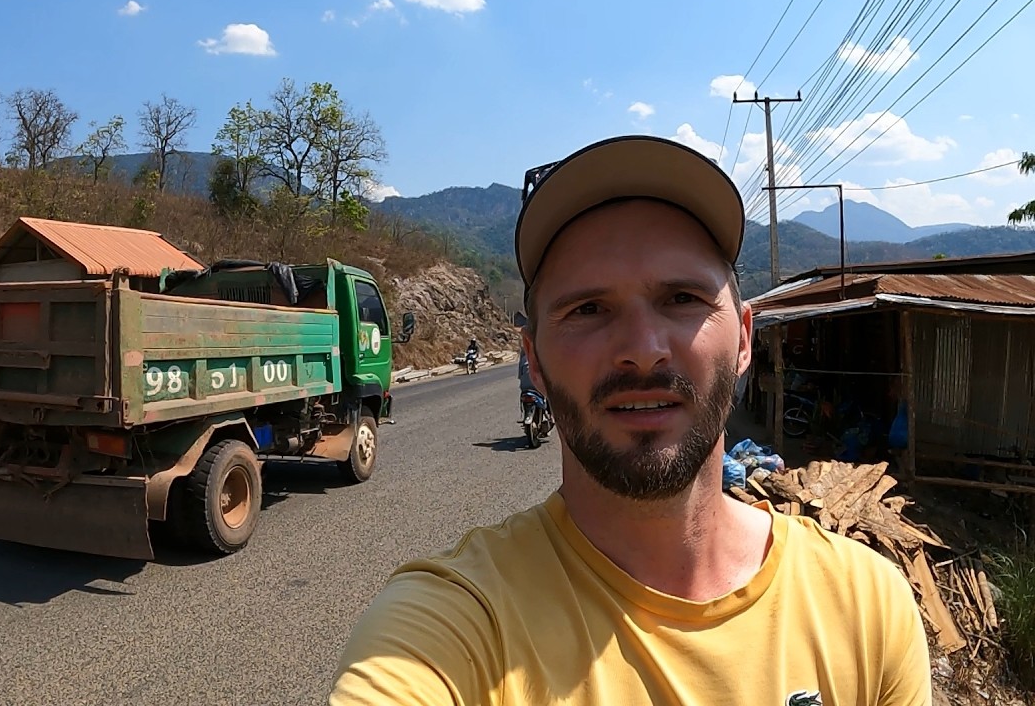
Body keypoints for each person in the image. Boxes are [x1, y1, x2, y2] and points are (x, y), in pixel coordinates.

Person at [328, 135, 931, 705]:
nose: (643, 349)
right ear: (533, 361)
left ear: (744, 339)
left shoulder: (868, 609)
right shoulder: (454, 626)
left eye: (682, 299)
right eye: (588, 308)